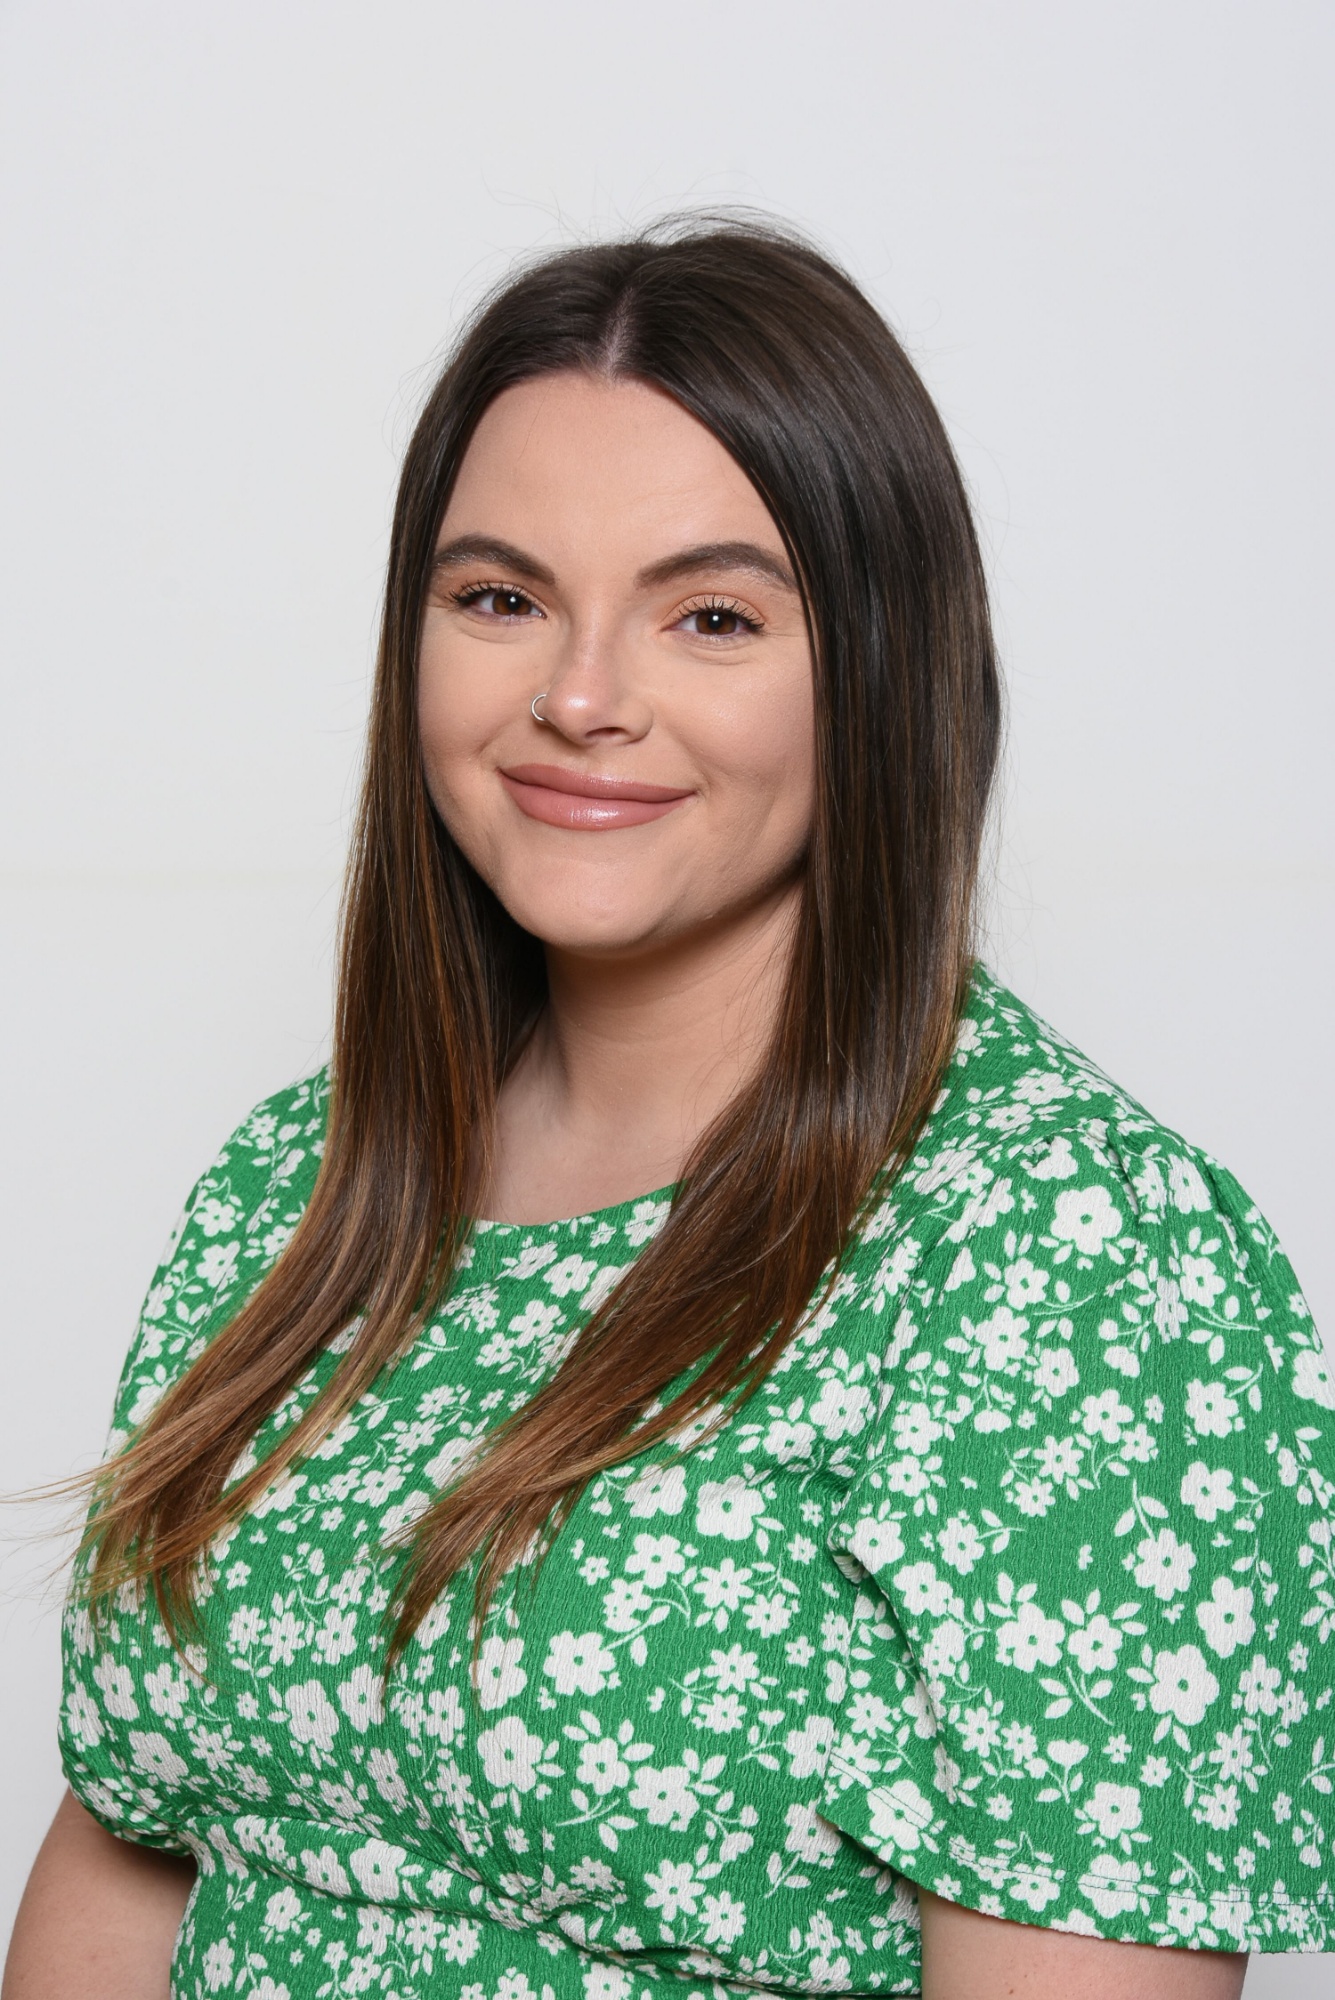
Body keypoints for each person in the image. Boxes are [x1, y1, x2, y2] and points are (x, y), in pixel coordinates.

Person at [5, 217, 1331, 2000]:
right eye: (501, 599)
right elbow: (133, 1848)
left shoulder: (1067, 1255)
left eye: (711, 617)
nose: (578, 698)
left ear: (881, 668)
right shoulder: (294, 1182)